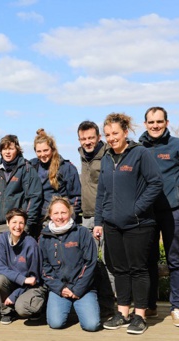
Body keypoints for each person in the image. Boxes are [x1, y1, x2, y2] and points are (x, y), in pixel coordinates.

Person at [95, 113, 163, 335]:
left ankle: (140, 316)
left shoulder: (140, 154)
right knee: (120, 269)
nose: (111, 138)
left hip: (139, 224)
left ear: (125, 132)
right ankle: (122, 313)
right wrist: (99, 220)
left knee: (138, 269)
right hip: (112, 225)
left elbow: (155, 183)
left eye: (115, 133)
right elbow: (102, 192)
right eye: (107, 135)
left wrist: (136, 208)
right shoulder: (106, 158)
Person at [140, 106, 179, 327]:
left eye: (159, 121)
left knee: (175, 260)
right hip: (146, 213)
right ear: (145, 124)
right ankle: (149, 305)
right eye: (151, 122)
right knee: (147, 260)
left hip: (172, 212)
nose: (155, 126)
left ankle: (178, 307)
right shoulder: (138, 149)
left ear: (166, 123)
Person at [40, 197, 100, 332]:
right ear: (50, 215)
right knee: (55, 323)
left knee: (92, 325)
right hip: (59, 288)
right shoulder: (44, 237)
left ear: (70, 213)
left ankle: (82, 307)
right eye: (56, 213)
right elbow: (44, 268)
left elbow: (90, 262)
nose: (60, 217)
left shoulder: (82, 232)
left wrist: (78, 289)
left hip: (83, 288)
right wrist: (60, 288)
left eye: (63, 213)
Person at [77, 121, 116, 316]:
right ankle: (93, 304)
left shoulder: (108, 155)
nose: (87, 141)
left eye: (91, 137)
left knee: (109, 261)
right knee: (89, 261)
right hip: (86, 217)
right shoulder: (83, 156)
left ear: (98, 137)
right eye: (83, 138)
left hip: (106, 216)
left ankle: (110, 305)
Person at [0, 208, 46, 325]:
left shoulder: (31, 244)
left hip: (30, 287)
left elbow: (34, 280)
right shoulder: (2, 239)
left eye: (21, 223)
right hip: (15, 282)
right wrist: (22, 279)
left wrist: (14, 295)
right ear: (7, 223)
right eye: (14, 222)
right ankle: (7, 311)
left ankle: (37, 307)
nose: (17, 226)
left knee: (22, 309)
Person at [0, 134, 42, 243]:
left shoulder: (27, 169)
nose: (7, 152)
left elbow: (34, 198)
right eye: (4, 149)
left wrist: (27, 224)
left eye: (11, 148)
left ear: (17, 150)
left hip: (19, 225)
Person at [31, 129, 82, 223]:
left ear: (52, 149)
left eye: (46, 150)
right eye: (39, 151)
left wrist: (69, 218)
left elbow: (76, 197)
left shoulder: (66, 168)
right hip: (37, 218)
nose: (42, 154)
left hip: (60, 219)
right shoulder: (32, 166)